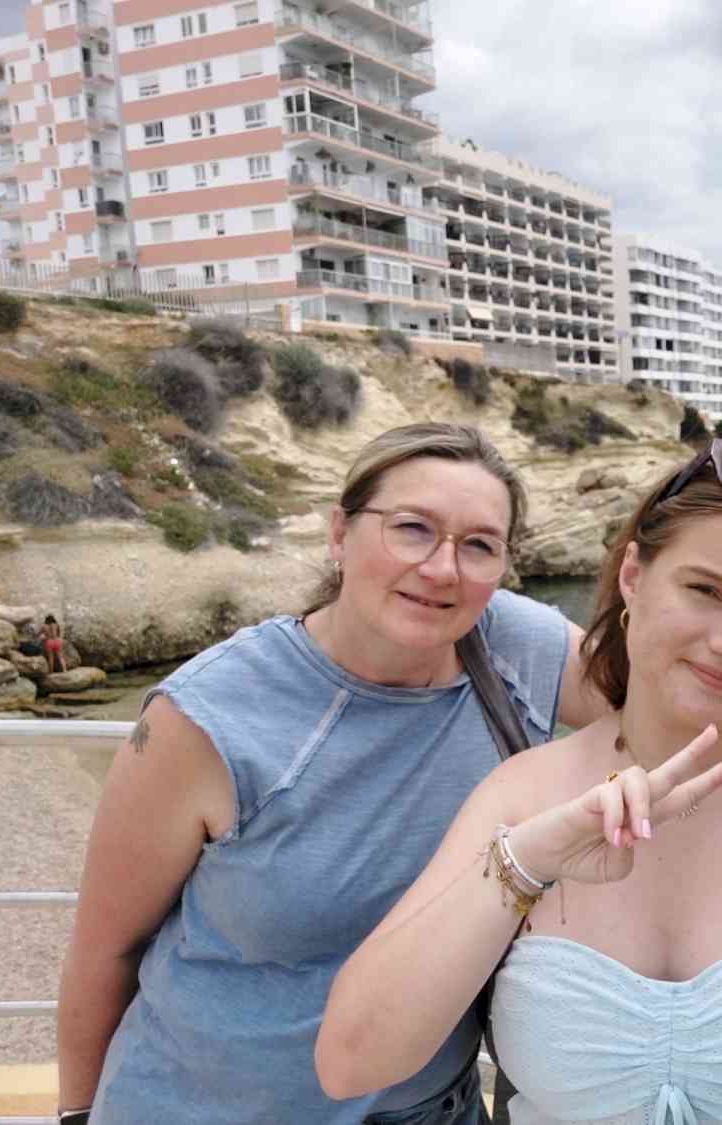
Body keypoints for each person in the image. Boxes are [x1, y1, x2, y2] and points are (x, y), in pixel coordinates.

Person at [317, 439, 722, 1124]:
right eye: (705, 590)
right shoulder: (521, 796)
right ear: (634, 576)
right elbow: (351, 1063)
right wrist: (527, 862)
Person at [56, 423, 607, 1125]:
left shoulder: (517, 648)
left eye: (479, 545)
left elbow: (670, 709)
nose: (443, 569)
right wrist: (76, 1114)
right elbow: (106, 950)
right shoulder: (208, 715)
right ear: (340, 534)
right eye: (412, 529)